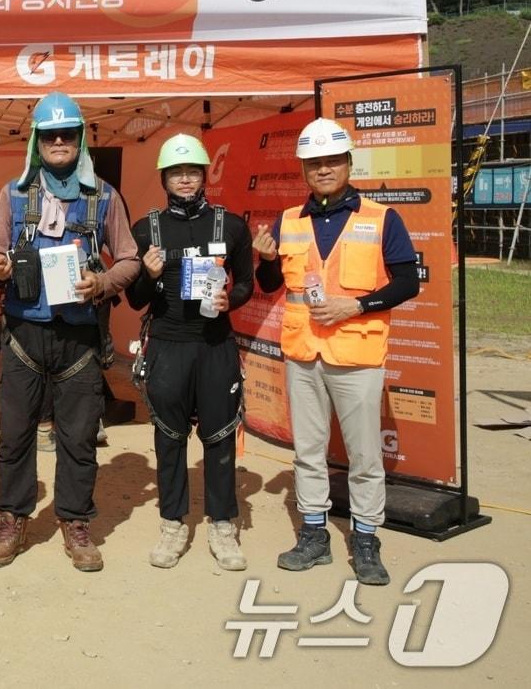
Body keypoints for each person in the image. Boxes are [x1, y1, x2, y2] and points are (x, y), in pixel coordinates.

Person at [254, 117, 420, 587]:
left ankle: (366, 538)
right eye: (314, 163)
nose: (323, 169)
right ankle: (314, 534)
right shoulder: (289, 220)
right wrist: (266, 260)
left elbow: (408, 282)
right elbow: (270, 285)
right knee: (308, 450)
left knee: (364, 455)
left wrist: (358, 305)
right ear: (303, 169)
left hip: (356, 354)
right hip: (303, 353)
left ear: (348, 162)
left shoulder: (382, 218)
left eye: (332, 160)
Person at [0, 92, 140, 572]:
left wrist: (103, 283)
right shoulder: (13, 194)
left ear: (80, 138)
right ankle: (12, 520)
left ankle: (75, 521)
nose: (58, 141)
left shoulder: (103, 197)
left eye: (67, 133)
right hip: (24, 334)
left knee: (79, 438)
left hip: (79, 338)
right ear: (37, 141)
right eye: (49, 135)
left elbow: (129, 258)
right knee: (15, 436)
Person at [125, 134, 253, 572]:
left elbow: (246, 283)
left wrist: (231, 300)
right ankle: (172, 523)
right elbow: (135, 301)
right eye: (176, 173)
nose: (184, 180)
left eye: (192, 172)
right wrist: (148, 275)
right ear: (164, 178)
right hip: (167, 347)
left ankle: (222, 524)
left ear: (203, 176)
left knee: (219, 437)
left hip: (215, 347)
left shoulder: (230, 225)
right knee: (169, 437)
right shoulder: (146, 230)